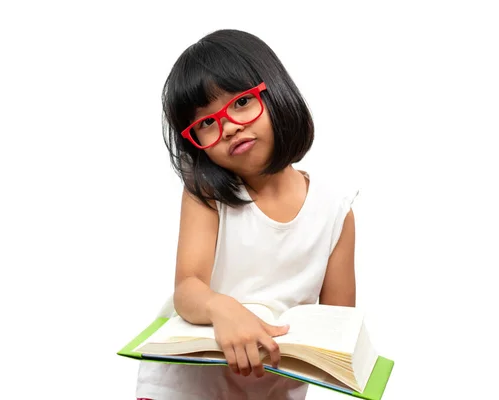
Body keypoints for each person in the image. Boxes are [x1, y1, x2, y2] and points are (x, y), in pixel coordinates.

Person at [136, 28, 359, 400]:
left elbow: (336, 326)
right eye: (205, 123)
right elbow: (187, 290)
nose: (228, 126)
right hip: (187, 388)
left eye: (241, 102)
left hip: (269, 389)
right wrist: (220, 307)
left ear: (275, 91)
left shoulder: (335, 210)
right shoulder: (208, 193)